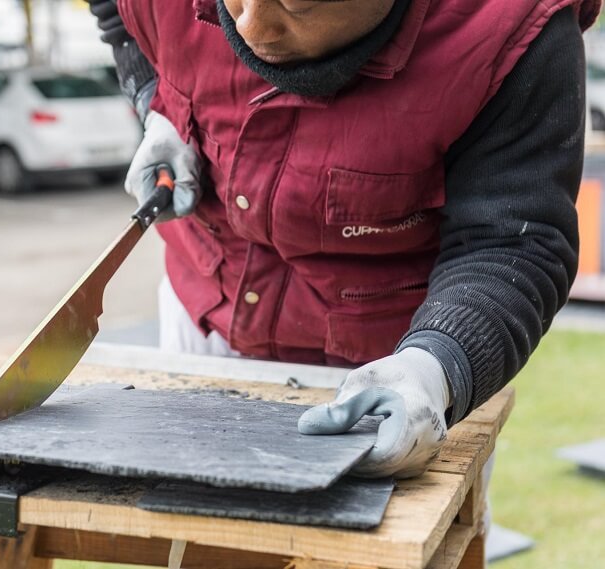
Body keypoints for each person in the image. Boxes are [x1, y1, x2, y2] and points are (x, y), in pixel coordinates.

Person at [86, 0, 600, 479]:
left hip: (385, 376)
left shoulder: (514, 33)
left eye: (296, 4)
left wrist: (437, 367)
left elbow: (511, 243)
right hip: (201, 316)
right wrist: (154, 101)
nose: (248, 26)